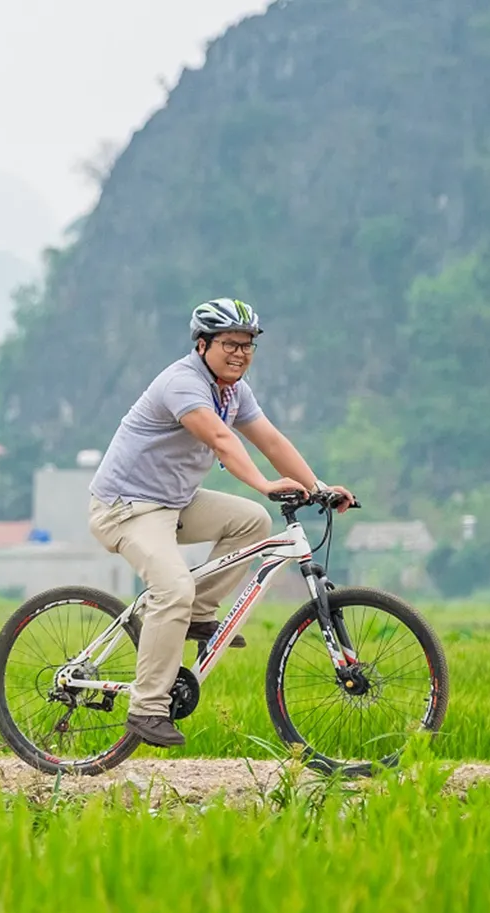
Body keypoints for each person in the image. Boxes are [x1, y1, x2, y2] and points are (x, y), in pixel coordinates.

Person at [87, 298, 354, 749]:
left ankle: (195, 615)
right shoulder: (182, 384)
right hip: (126, 507)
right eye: (230, 343)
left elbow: (269, 438)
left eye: (248, 346)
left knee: (252, 521)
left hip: (174, 503)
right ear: (202, 344)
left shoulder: (235, 391)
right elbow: (219, 438)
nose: (240, 354)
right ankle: (147, 707)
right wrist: (265, 483)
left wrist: (318, 485)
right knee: (172, 589)